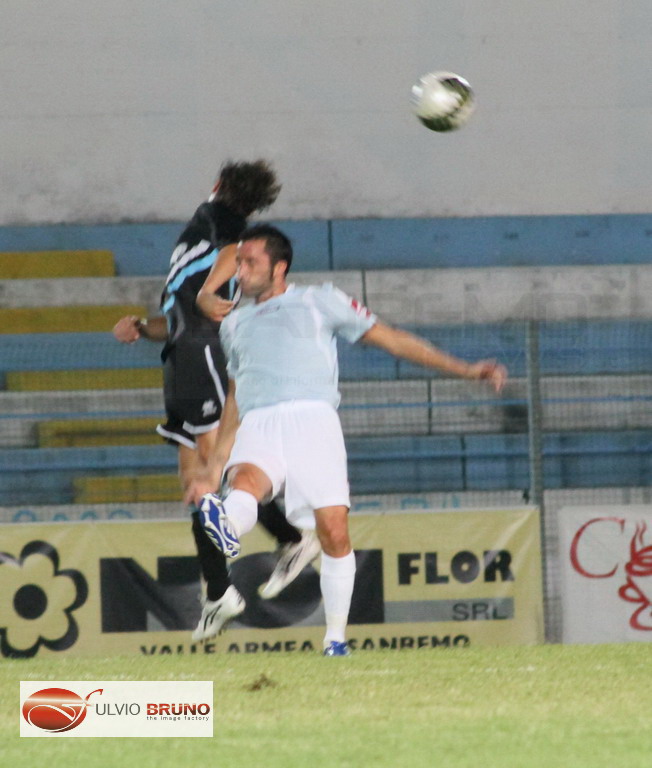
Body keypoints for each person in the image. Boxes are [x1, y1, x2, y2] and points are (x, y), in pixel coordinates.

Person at [186, 223, 508, 656]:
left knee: (334, 531)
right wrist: (214, 464)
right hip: (258, 421)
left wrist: (465, 370)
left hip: (312, 421)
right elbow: (234, 395)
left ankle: (335, 639)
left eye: (250, 262)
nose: (239, 271)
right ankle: (226, 525)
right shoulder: (234, 323)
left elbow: (392, 340)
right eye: (238, 262)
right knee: (243, 483)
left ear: (279, 268)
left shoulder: (320, 300)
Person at [112, 163, 320, 643]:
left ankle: (290, 539)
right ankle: (221, 591)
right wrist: (142, 328)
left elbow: (230, 253)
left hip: (202, 354)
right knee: (196, 485)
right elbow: (179, 314)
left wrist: (207, 292)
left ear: (218, 186)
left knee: (215, 473)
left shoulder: (216, 220)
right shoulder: (201, 236)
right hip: (181, 357)